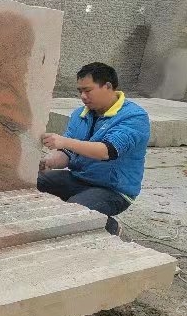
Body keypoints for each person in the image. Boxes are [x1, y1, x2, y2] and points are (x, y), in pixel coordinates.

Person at [38, 62, 150, 235]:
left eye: (88, 90)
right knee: (33, 183)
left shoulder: (134, 117)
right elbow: (68, 153)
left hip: (113, 190)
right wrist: (49, 161)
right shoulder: (80, 114)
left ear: (108, 86)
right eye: (80, 91)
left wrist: (64, 142)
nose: (83, 96)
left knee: (72, 212)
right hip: (79, 179)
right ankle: (85, 217)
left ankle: (108, 227)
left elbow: (107, 151)